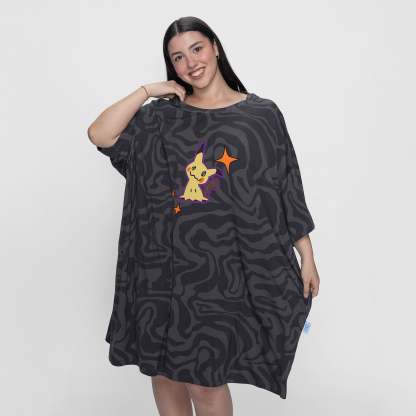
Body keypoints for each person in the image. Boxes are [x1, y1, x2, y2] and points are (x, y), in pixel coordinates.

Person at [88, 16, 320, 416]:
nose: (190, 63)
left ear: (215, 46)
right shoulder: (160, 118)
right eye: (178, 57)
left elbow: (286, 186)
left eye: (196, 49)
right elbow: (101, 134)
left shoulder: (261, 115)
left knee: (205, 380)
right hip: (161, 269)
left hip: (220, 275)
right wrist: (147, 91)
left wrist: (307, 255)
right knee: (163, 372)